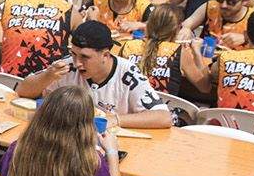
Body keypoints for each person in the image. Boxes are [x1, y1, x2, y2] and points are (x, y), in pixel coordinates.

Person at [15, 20, 172, 129]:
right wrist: (47, 76)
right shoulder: (67, 66)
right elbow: (21, 91)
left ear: (105, 55)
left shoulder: (127, 73)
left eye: (85, 57)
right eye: (74, 54)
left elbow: (163, 117)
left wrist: (116, 119)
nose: (77, 63)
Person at [120, 4, 189, 96]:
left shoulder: (129, 46)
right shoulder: (179, 51)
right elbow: (204, 87)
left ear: (148, 24)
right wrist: (197, 54)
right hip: (164, 104)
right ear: (177, 28)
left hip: (129, 102)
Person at [180, 0, 253, 48]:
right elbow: (188, 23)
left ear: (245, 0)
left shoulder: (252, 18)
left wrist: (246, 38)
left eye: (231, 2)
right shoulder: (212, 7)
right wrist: (186, 29)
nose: (223, 5)